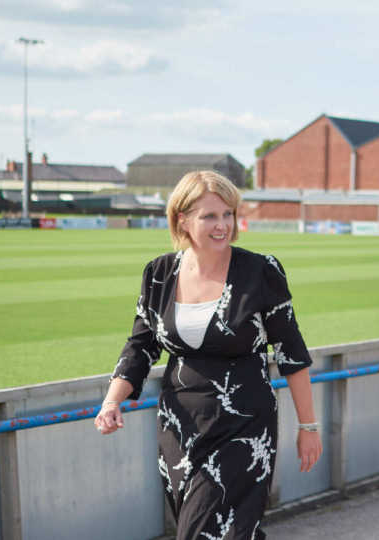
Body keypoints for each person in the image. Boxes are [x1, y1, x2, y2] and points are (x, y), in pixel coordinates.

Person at [95, 170, 322, 540]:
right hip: (179, 427)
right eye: (210, 216)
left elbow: (291, 353)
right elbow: (141, 345)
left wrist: (308, 427)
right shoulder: (159, 273)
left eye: (228, 214)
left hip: (243, 426)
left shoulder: (261, 271)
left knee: (203, 533)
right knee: (225, 531)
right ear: (182, 220)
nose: (223, 226)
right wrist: (111, 401)